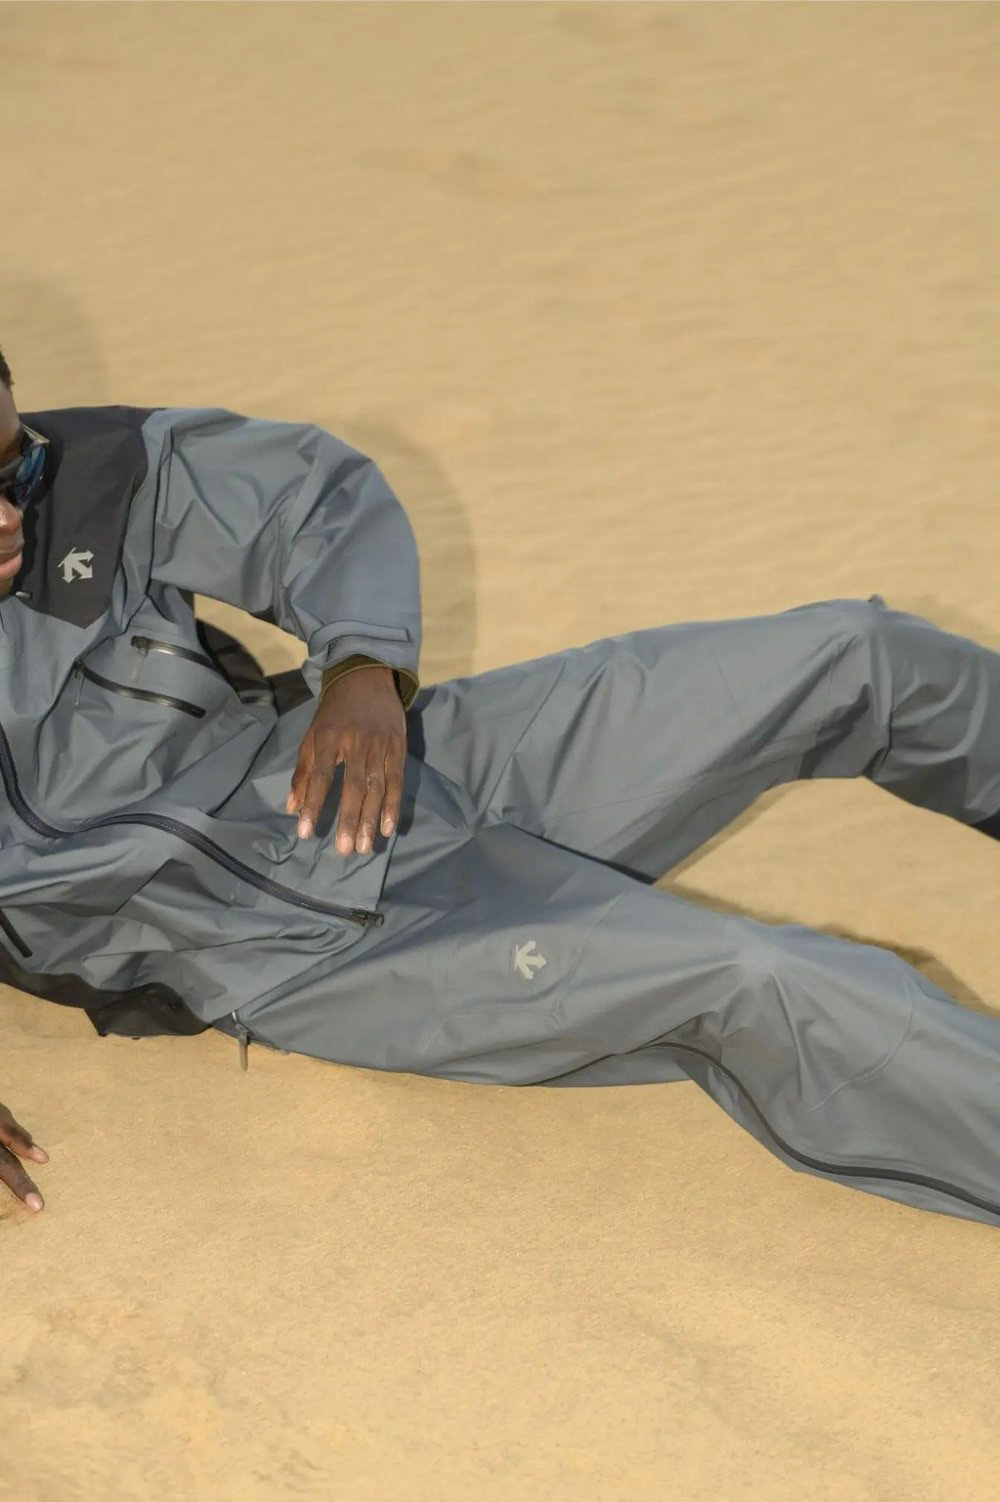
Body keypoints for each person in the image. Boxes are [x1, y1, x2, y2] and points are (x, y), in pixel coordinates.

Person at [3, 348, 1000, 1233]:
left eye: (13, 466)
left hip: (383, 768)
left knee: (859, 653)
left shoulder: (96, 467)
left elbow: (302, 496)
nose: (12, 515)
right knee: (758, 977)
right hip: (299, 945)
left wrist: (362, 665)